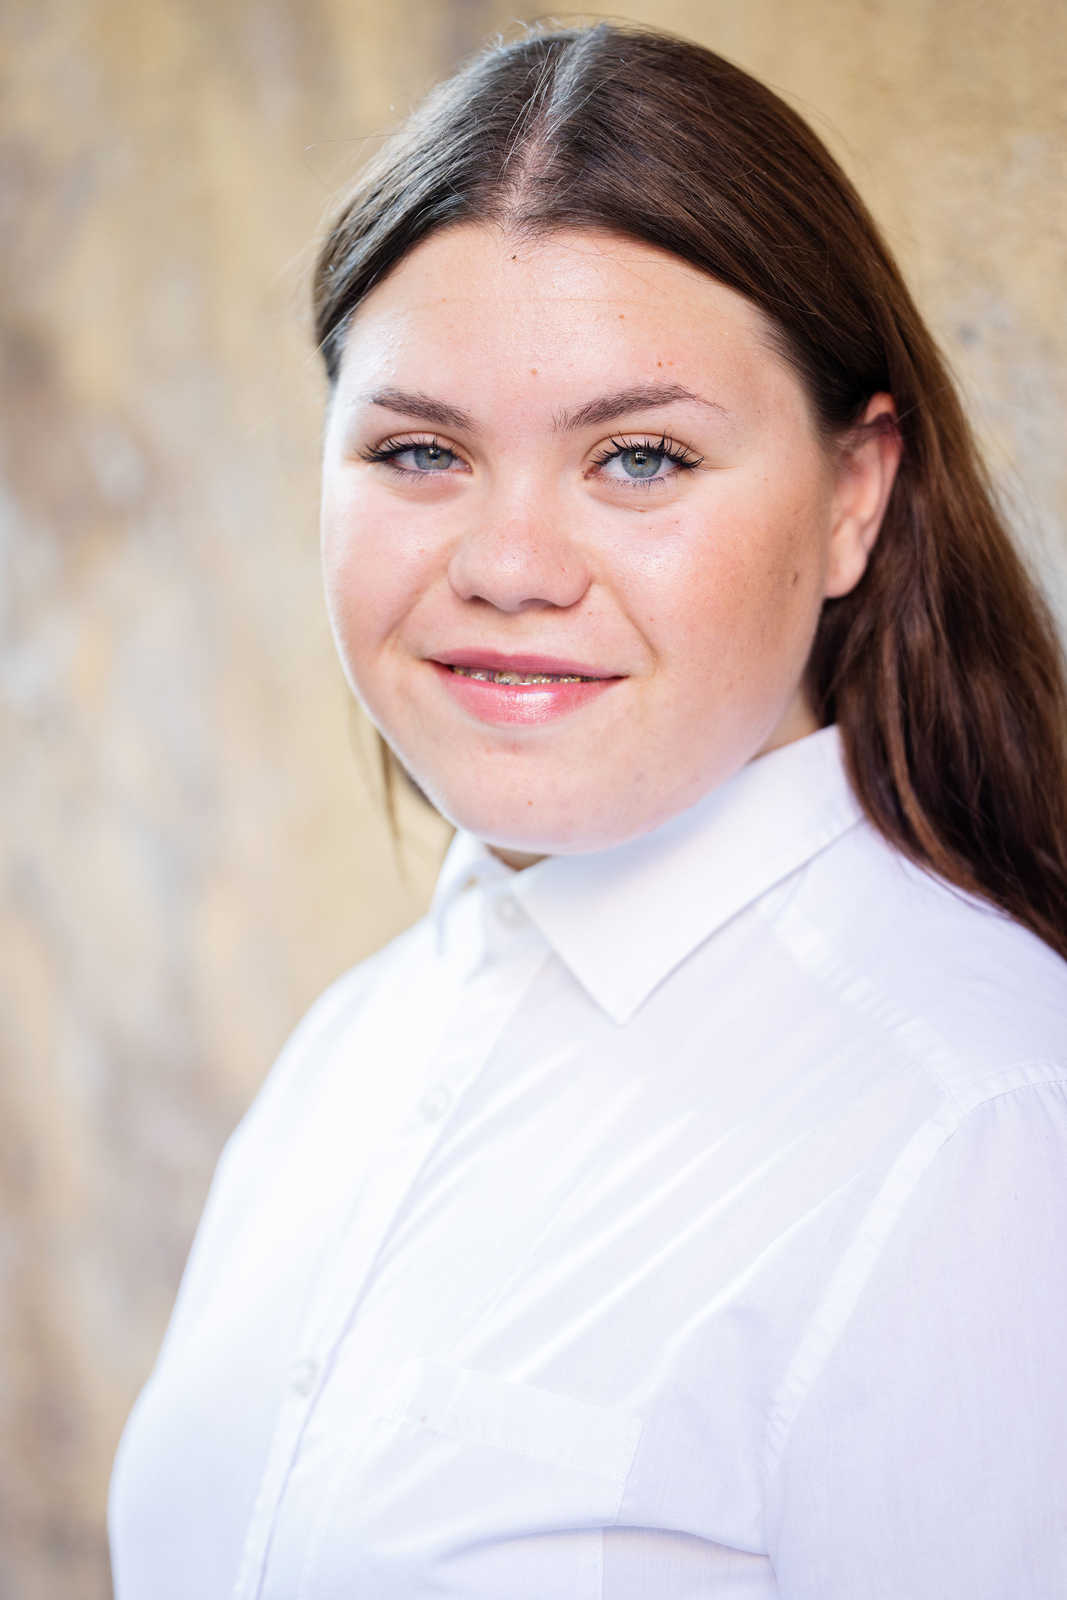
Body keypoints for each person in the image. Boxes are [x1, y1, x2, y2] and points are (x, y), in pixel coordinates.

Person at [109, 22, 1067, 1599]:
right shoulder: (361, 1043)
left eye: (639, 457)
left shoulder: (982, 1141)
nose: (509, 566)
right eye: (421, 449)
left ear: (855, 494)